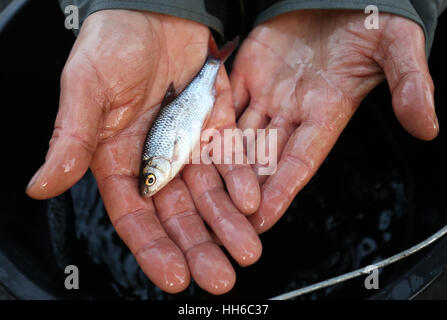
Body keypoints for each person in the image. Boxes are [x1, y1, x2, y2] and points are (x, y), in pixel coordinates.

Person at [26, 0, 445, 295]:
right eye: (151, 179)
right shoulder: (161, 159)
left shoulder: (159, 160)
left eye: (151, 178)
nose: (150, 184)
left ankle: (216, 57)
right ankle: (214, 54)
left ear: (159, 167)